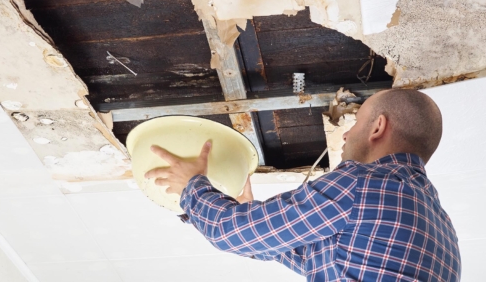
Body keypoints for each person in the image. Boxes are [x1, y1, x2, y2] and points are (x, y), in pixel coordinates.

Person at [145, 89, 461, 281]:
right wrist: (252, 225)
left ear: (378, 127)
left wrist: (192, 186)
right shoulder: (444, 232)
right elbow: (323, 258)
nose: (347, 135)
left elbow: (230, 233)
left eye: (356, 122)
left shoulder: (361, 185)